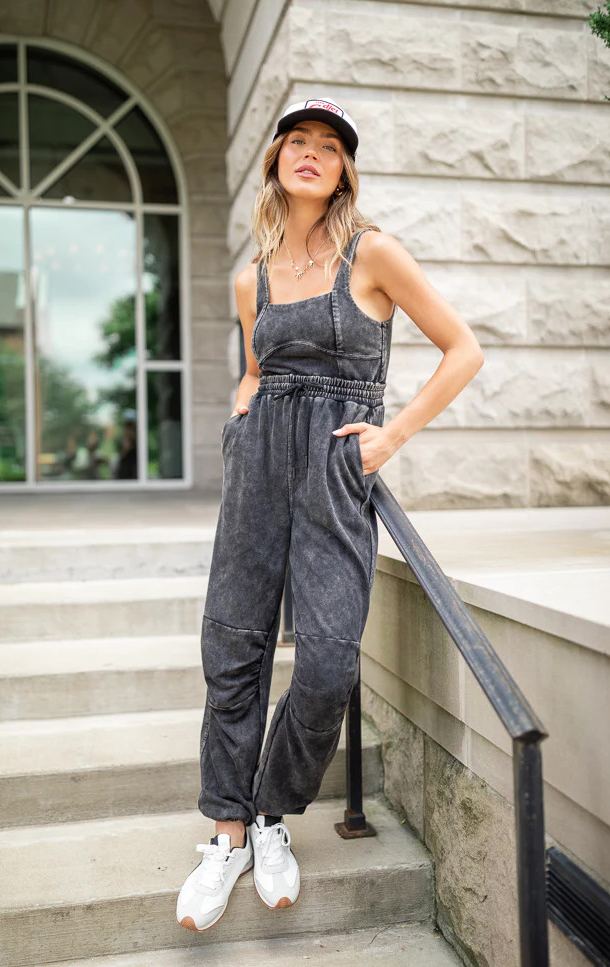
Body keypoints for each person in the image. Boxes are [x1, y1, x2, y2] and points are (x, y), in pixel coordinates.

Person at [176, 97, 484, 932]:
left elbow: (464, 349)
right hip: (259, 466)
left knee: (327, 662)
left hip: (335, 467)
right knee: (233, 644)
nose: (311, 153)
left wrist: (392, 436)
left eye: (329, 145)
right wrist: (242, 417)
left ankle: (270, 809)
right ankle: (227, 832)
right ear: (276, 160)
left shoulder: (372, 252)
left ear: (345, 169)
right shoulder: (252, 276)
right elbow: (255, 366)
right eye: (298, 141)